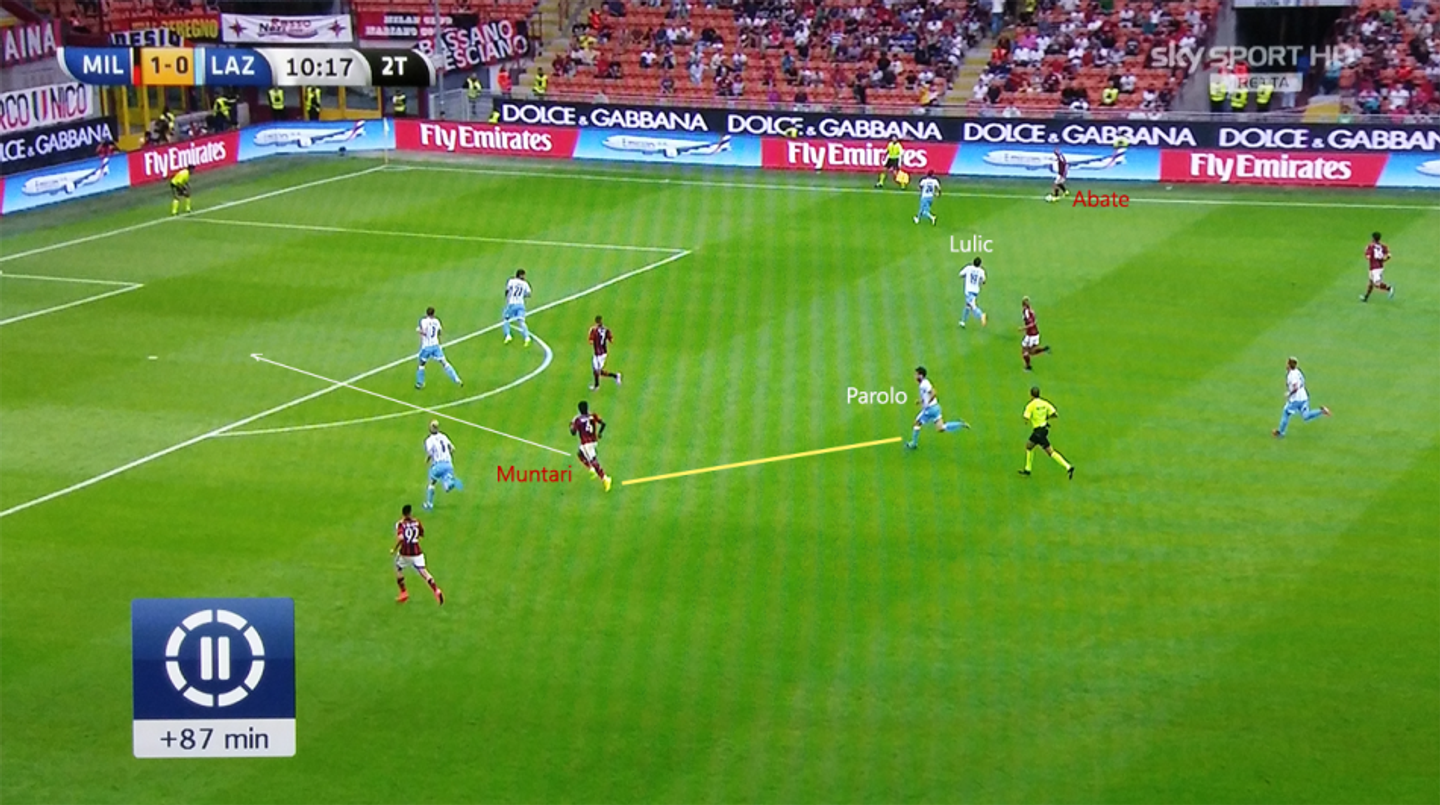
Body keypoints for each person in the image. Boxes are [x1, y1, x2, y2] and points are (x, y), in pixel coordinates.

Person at [903, 366, 968, 449]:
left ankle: (913, 444)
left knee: (916, 423)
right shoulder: (925, 383)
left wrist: (928, 402)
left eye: (916, 374)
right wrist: (920, 401)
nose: (915, 376)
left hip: (929, 409)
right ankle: (960, 424)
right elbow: (926, 395)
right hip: (936, 408)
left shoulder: (924, 384)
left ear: (921, 376)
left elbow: (933, 393)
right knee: (941, 428)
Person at [392, 504, 444, 604]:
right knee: (423, 572)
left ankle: (403, 592)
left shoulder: (400, 524)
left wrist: (394, 549)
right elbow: (421, 534)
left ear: (403, 513)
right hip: (417, 552)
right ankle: (436, 590)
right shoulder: (417, 522)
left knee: (398, 568)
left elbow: (401, 538)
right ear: (410, 512)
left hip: (405, 553)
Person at [1019, 386, 1073, 479]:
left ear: (1031, 395)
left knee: (1049, 451)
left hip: (1038, 432)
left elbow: (1026, 418)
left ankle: (1068, 466)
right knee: (1029, 446)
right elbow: (1055, 414)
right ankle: (1027, 469)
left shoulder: (1030, 405)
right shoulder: (1045, 403)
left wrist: (1028, 420)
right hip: (1043, 430)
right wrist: (1046, 417)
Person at [1273, 357, 1330, 438]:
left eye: (1287, 363)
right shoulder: (1298, 372)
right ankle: (1322, 411)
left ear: (1289, 365)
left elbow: (1295, 387)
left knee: (1286, 412)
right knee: (1306, 416)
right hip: (1304, 397)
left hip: (1296, 399)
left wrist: (1289, 394)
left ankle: (1280, 433)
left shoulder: (1292, 375)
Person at [414, 307, 463, 389]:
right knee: (444, 363)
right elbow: (439, 332)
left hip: (426, 347)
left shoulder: (424, 321)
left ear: (426, 313)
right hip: (436, 346)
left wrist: (419, 331)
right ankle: (457, 379)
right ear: (433, 313)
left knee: (421, 364)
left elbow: (424, 332)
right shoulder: (437, 321)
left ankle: (420, 383)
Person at [570, 401, 613, 491]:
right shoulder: (592, 416)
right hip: (593, 441)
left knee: (593, 460)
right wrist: (600, 433)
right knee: (580, 454)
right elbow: (603, 424)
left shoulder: (578, 420)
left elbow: (573, 432)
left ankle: (604, 478)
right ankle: (593, 469)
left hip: (586, 443)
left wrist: (571, 425)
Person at [423, 420, 463, 509]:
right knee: (447, 487)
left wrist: (426, 461)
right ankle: (450, 482)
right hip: (448, 464)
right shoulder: (443, 436)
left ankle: (429, 504)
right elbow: (452, 449)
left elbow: (430, 453)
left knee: (432, 483)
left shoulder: (429, 440)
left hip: (438, 465)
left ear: (430, 428)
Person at [588, 315, 622, 389]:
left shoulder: (593, 330)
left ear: (596, 322)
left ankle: (615, 376)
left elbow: (590, 341)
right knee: (596, 371)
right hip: (602, 353)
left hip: (600, 354)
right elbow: (611, 340)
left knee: (598, 371)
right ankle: (597, 385)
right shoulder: (606, 329)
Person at [1361, 231, 1396, 302]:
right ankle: (1366, 297)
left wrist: (1367, 254)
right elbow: (1389, 255)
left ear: (1373, 238)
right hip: (1378, 267)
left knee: (1377, 284)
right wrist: (1383, 260)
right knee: (1371, 283)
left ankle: (1389, 288)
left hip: (1375, 268)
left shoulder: (1370, 246)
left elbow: (1368, 257)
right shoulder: (1383, 246)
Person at [1019, 296, 1050, 371]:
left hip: (1031, 335)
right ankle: (1044, 349)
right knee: (1031, 352)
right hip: (1033, 334)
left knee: (1026, 352)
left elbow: (1032, 324)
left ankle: (1028, 367)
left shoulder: (1027, 312)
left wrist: (1023, 328)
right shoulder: (1030, 311)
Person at [502, 269, 532, 346]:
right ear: (521, 275)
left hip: (512, 304)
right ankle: (527, 337)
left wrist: (507, 298)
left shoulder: (511, 281)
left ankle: (508, 335)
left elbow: (507, 290)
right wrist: (522, 295)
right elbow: (528, 294)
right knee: (521, 321)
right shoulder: (525, 284)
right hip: (521, 304)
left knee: (506, 319)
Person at [959, 257, 987, 328]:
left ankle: (981, 315)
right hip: (975, 290)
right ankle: (963, 321)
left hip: (968, 290)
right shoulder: (981, 271)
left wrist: (965, 276)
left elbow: (961, 274)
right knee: (968, 306)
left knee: (973, 306)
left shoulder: (968, 268)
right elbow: (983, 281)